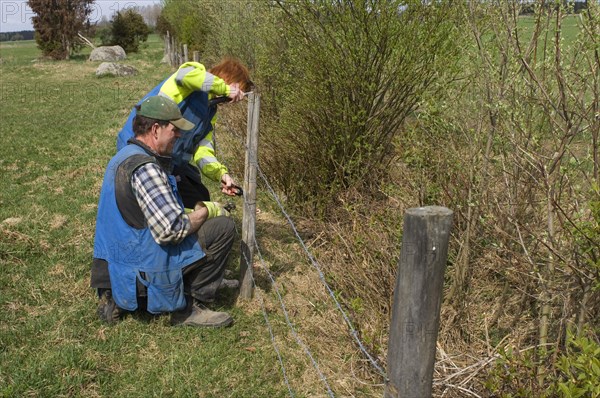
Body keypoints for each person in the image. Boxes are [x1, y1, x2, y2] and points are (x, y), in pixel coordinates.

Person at [92, 95, 235, 327]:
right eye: (174, 129)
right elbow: (170, 230)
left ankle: (116, 296)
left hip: (116, 264)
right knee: (223, 228)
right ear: (156, 129)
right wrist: (207, 211)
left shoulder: (122, 157)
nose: (178, 136)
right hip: (142, 267)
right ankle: (189, 306)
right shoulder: (147, 168)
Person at [116, 58, 253, 209]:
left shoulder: (210, 111)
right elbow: (186, 76)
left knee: (200, 197)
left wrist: (221, 174)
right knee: (166, 205)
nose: (229, 100)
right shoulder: (194, 73)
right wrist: (225, 89)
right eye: (235, 92)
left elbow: (203, 150)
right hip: (138, 146)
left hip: (167, 161)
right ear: (227, 79)